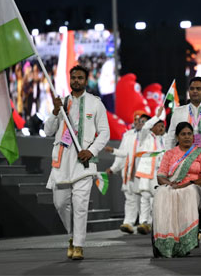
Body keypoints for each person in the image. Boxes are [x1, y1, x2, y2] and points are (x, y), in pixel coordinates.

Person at [44, 65, 110, 260]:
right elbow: (48, 131)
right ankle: (72, 236)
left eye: (80, 78)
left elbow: (105, 131)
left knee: (80, 205)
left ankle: (79, 245)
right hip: (62, 162)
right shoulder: (61, 103)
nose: (76, 81)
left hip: (84, 162)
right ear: (69, 79)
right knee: (60, 203)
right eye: (73, 77)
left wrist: (91, 150)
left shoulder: (95, 103)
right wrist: (56, 111)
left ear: (86, 80)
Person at [153, 122, 201, 257]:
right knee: (161, 192)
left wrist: (190, 183)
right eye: (183, 134)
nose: (187, 137)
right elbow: (161, 176)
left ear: (193, 136)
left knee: (188, 191)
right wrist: (170, 184)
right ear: (177, 137)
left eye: (189, 134)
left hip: (194, 186)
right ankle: (167, 239)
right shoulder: (169, 154)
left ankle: (186, 240)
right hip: (174, 186)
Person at [106, 113, 150, 234]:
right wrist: (113, 168)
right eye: (135, 120)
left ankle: (145, 223)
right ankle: (128, 223)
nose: (137, 122)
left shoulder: (150, 136)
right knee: (130, 198)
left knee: (144, 198)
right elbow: (123, 154)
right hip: (129, 172)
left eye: (141, 120)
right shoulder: (128, 135)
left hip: (144, 172)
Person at [134, 107, 166, 235]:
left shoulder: (166, 138)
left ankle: (155, 222)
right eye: (159, 125)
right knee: (145, 197)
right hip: (148, 171)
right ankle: (144, 222)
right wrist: (156, 116)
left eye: (163, 126)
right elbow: (146, 126)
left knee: (158, 199)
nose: (161, 128)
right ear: (153, 127)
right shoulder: (145, 136)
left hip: (160, 173)